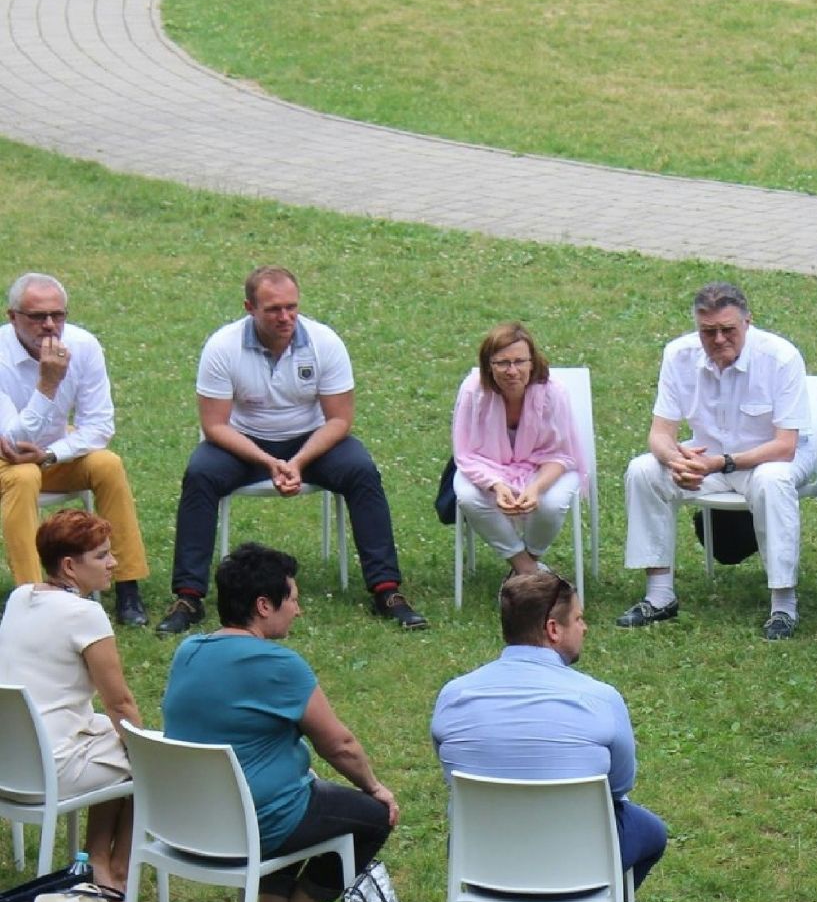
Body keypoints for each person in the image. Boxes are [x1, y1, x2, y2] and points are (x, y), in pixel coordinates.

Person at [431, 568, 669, 902]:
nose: (585, 626)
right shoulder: (600, 699)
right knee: (650, 832)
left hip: (482, 861)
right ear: (553, 629)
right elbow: (620, 785)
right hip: (577, 862)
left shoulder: (454, 694)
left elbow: (451, 774)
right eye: (579, 618)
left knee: (522, 833)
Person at [161, 542, 399, 902]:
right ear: (264, 605)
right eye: (293, 599)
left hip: (185, 821)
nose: (299, 610)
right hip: (250, 824)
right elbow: (339, 745)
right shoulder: (279, 664)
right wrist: (375, 787)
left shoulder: (189, 650)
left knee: (305, 793)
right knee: (373, 818)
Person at [159, 266, 426, 634]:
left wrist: (298, 462)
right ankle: (188, 597)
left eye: (291, 307)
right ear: (249, 307)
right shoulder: (223, 347)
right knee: (200, 474)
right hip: (243, 442)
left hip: (312, 441)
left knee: (362, 470)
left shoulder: (324, 342)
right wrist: (269, 462)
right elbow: (215, 425)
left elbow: (339, 420)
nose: (285, 317)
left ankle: (387, 590)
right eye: (273, 309)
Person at [618, 282, 817, 641]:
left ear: (747, 322)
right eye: (708, 331)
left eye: (728, 330)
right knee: (643, 469)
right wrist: (674, 459)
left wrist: (720, 463)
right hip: (707, 458)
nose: (718, 339)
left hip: (769, 459)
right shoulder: (677, 354)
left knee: (772, 480)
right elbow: (660, 433)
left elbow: (785, 446)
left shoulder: (780, 357)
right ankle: (659, 595)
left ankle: (783, 604)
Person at [0, 510, 141, 892]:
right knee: (146, 761)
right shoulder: (85, 613)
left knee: (115, 741)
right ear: (69, 566)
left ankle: (97, 864)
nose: (113, 563)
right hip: (51, 766)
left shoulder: (19, 597)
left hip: (8, 761)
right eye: (101, 556)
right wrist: (148, 751)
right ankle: (113, 873)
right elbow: (120, 704)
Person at [3, 274, 149, 623]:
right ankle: (32, 596)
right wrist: (47, 384)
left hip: (53, 452)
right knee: (23, 477)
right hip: (6, 459)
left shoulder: (83, 346)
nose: (50, 326)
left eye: (58, 315)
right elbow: (11, 439)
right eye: (37, 317)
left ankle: (127, 584)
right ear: (12, 317)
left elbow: (100, 426)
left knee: (107, 464)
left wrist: (53, 454)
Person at [451, 322, 588, 581]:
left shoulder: (553, 393)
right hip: (487, 467)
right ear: (489, 366)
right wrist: (496, 485)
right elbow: (465, 454)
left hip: (545, 468)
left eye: (519, 362)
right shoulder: (472, 390)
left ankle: (526, 565)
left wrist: (536, 488)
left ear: (532, 363)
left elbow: (562, 455)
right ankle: (528, 570)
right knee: (469, 497)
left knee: (551, 503)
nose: (511, 371)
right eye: (502, 363)